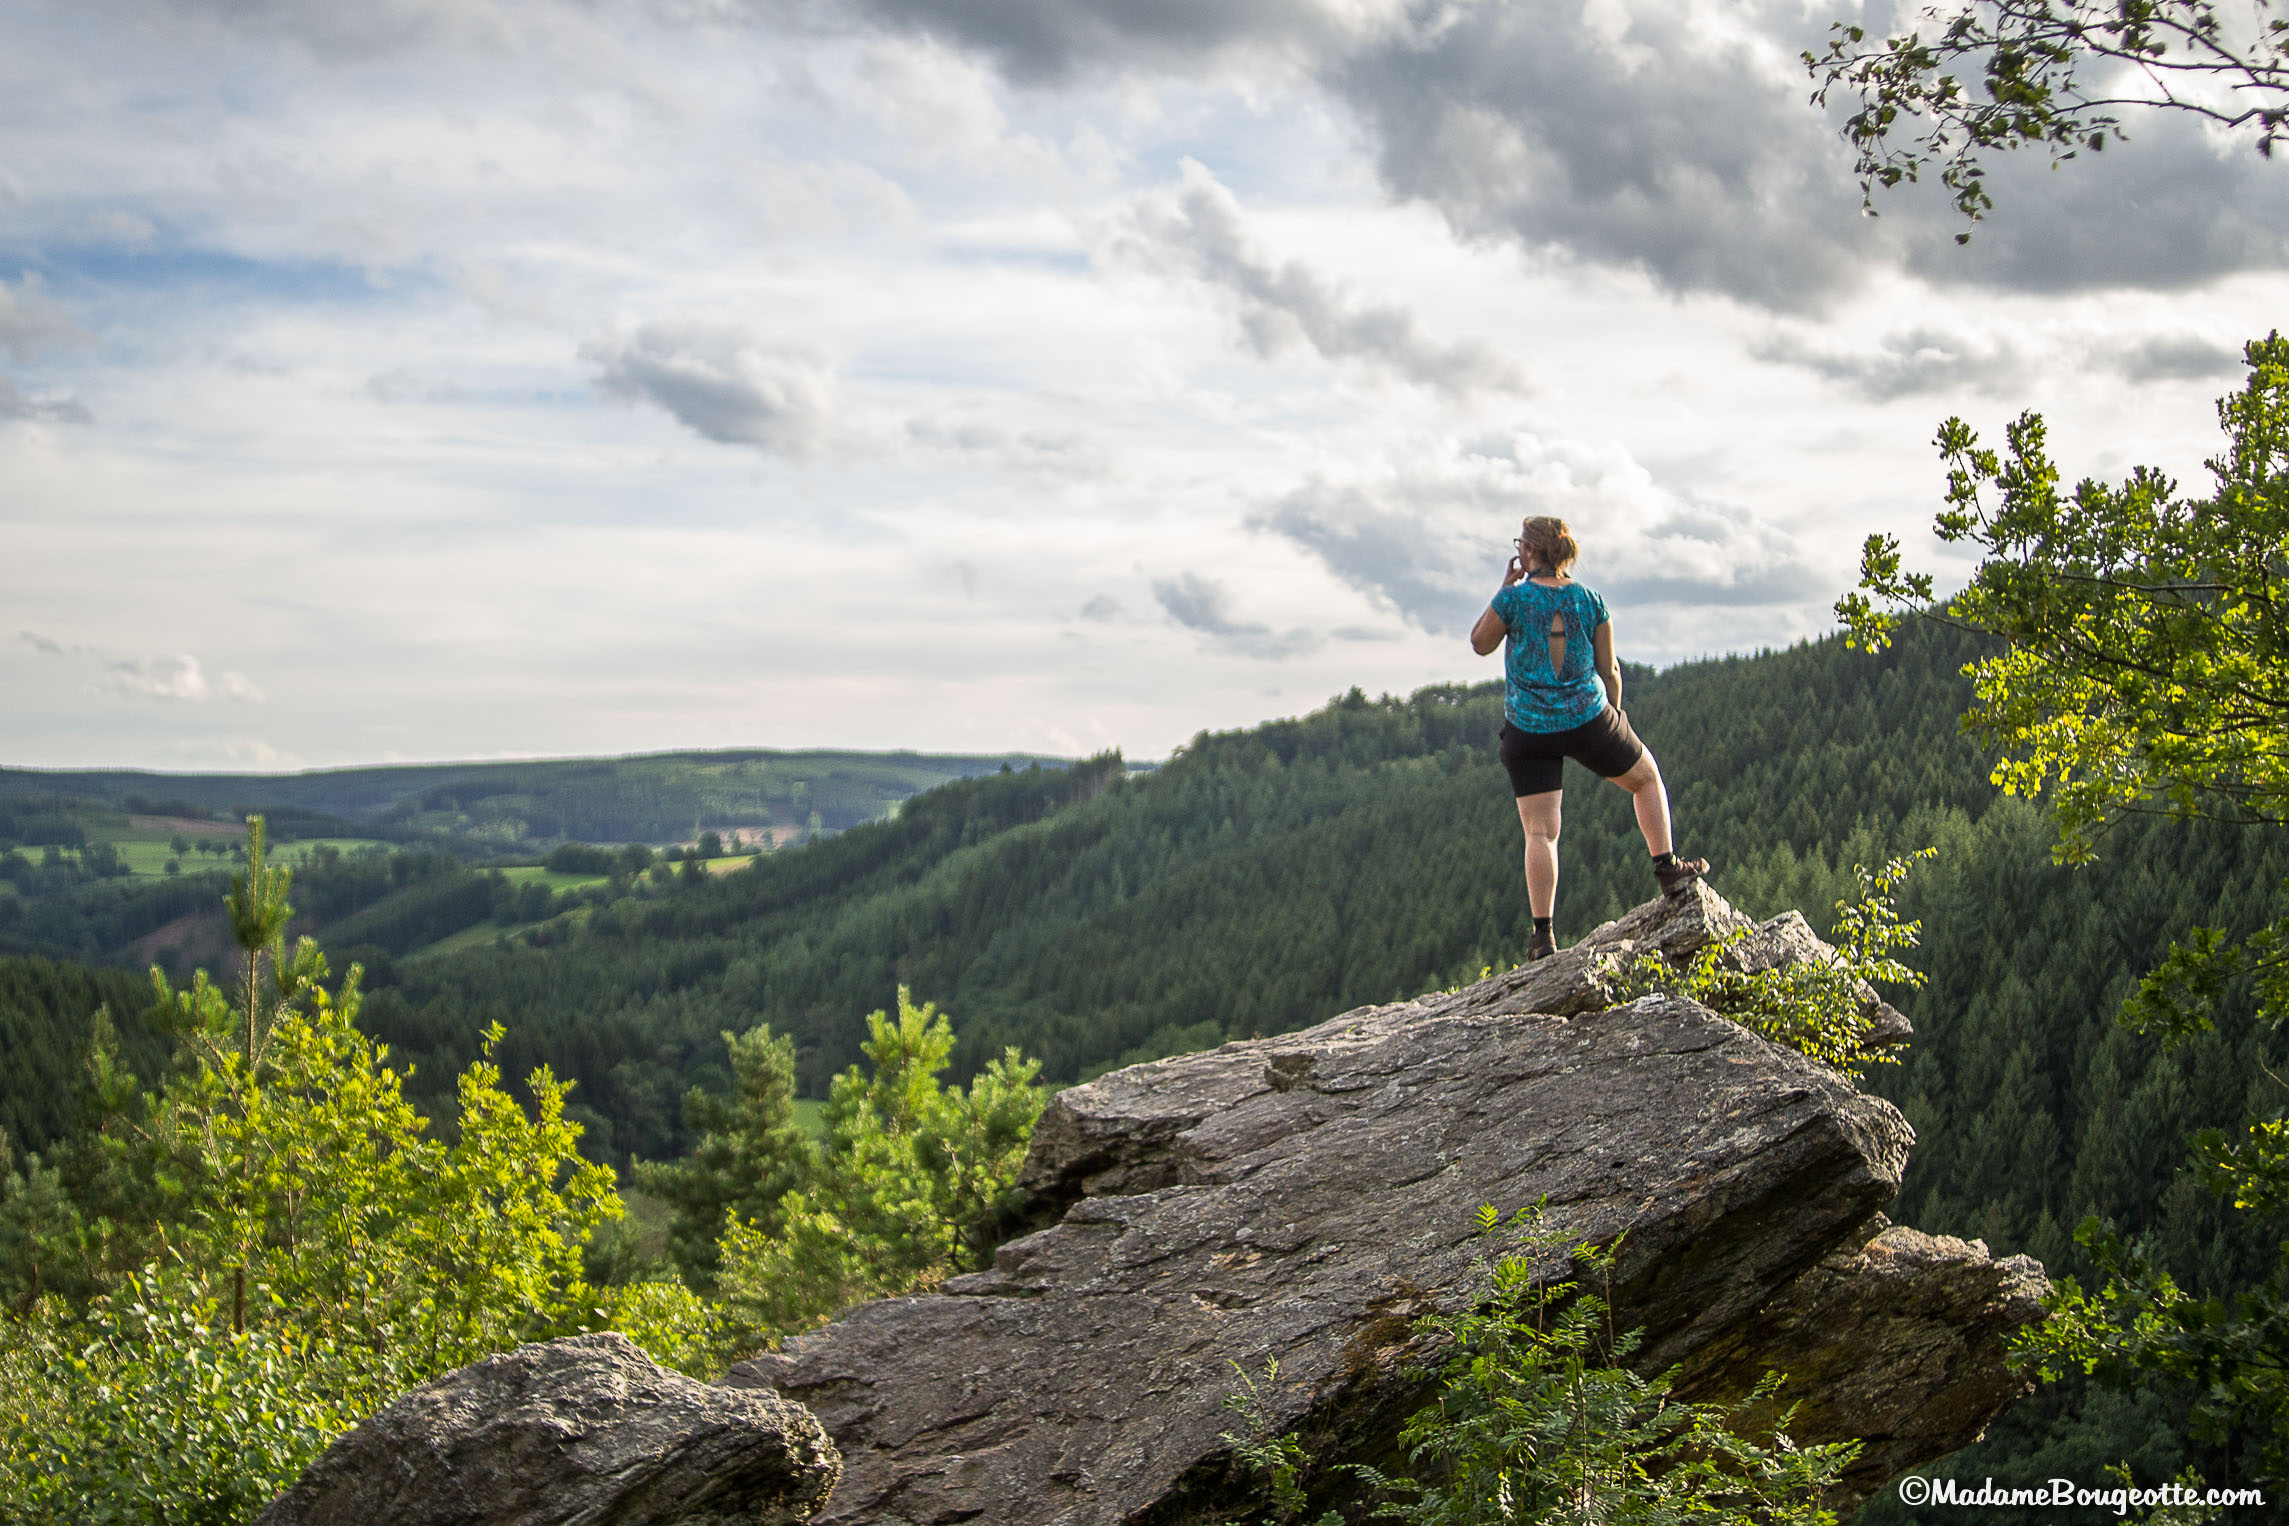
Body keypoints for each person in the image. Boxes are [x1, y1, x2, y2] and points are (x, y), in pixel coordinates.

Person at [1470, 515, 1707, 962]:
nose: (1518, 550)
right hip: (1587, 717)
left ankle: (1543, 936)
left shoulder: (1514, 601)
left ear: (1532, 552)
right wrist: (1616, 717)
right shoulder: (1591, 600)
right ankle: (1668, 868)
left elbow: (1480, 643)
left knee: (1541, 832)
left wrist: (1504, 589)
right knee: (1646, 779)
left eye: (1521, 544)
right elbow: (1609, 669)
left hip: (1528, 728)